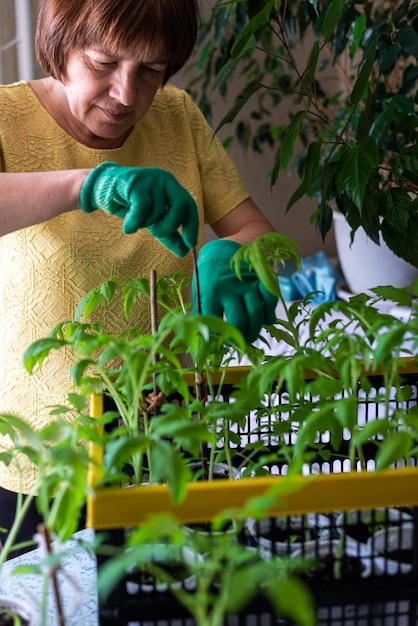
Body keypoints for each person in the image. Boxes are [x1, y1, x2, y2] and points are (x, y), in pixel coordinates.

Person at [0, 0, 278, 553]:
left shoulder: (178, 116)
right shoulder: (7, 116)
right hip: (38, 455)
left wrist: (234, 256)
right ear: (61, 45)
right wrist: (89, 185)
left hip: (168, 434)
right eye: (103, 63)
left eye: (151, 71)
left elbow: (259, 234)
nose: (127, 95)